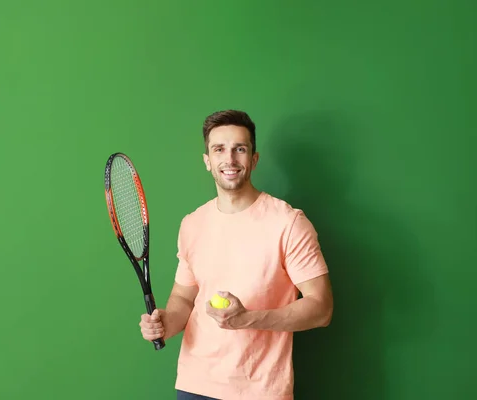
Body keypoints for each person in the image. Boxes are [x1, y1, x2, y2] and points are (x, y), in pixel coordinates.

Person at [139, 110, 333, 400]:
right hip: (195, 386)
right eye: (219, 149)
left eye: (239, 149)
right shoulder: (192, 224)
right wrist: (165, 324)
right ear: (207, 161)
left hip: (260, 391)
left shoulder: (288, 223)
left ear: (253, 159)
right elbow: (183, 299)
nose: (229, 159)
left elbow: (322, 308)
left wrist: (247, 319)